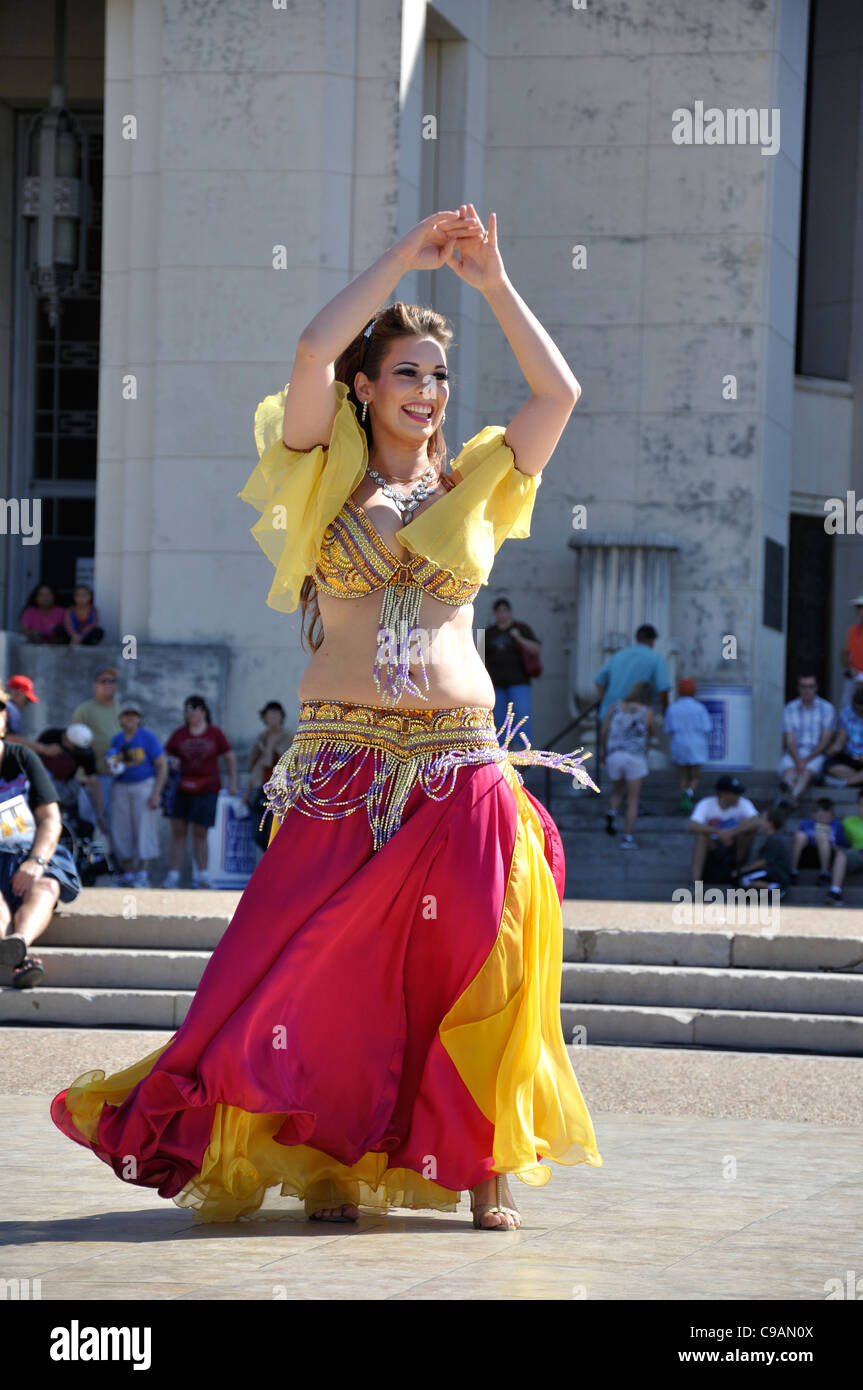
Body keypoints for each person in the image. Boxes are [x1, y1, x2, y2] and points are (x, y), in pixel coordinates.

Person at [51, 204, 603, 1232]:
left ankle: (480, 1165)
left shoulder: (481, 475)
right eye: (405, 372)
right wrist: (404, 254)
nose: (427, 392)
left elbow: (558, 391)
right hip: (344, 761)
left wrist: (488, 283)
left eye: (437, 376)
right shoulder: (323, 475)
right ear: (365, 384)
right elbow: (310, 346)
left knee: (476, 954)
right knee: (299, 958)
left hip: (458, 762)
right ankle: (331, 1159)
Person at [0, 683, 82, 990]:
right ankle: (19, 961)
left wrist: (35, 861)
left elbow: (50, 819)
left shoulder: (22, 757)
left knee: (46, 886)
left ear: (5, 720)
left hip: (27, 853)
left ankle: (18, 942)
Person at [161, 695, 237, 889]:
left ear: (204, 711)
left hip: (207, 789)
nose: (190, 712)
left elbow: (230, 757)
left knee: (200, 833)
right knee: (178, 833)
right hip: (181, 790)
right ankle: (173, 875)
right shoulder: (179, 734)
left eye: (195, 708)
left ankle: (203, 875)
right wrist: (170, 762)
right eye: (187, 708)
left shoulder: (215, 733)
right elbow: (163, 756)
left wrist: (232, 781)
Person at [106, 701, 168, 888]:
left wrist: (156, 793)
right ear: (121, 719)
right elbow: (113, 762)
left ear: (139, 719)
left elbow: (162, 765)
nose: (130, 718)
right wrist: (113, 766)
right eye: (126, 715)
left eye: (134, 715)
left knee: (144, 829)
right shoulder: (117, 739)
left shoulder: (147, 737)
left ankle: (142, 873)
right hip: (121, 786)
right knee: (122, 830)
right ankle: (126, 873)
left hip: (144, 786)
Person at [600, 680, 655, 849]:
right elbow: (652, 733)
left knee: (617, 790)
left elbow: (604, 731)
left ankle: (612, 812)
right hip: (634, 758)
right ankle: (628, 838)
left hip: (614, 755)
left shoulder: (616, 706)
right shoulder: (647, 712)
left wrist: (604, 751)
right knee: (633, 799)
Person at [31, 722, 108, 838]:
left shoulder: (86, 753)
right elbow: (29, 756)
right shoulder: (51, 736)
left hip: (67, 788)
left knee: (75, 820)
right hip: (41, 783)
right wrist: (44, 750)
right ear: (66, 740)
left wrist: (100, 814)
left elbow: (93, 782)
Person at [483, 597, 542, 748]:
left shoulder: (521, 628)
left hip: (519, 683)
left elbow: (536, 649)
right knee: (499, 723)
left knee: (522, 718)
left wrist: (519, 638)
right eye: (499, 611)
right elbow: (478, 656)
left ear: (509, 612)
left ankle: (524, 753)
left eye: (505, 610)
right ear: (495, 613)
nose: (502, 614)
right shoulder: (489, 633)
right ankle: (501, 754)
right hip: (496, 685)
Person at [70, 668, 123, 825]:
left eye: (111, 681)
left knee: (112, 824)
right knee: (89, 822)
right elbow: (73, 740)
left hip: (116, 777)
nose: (108, 684)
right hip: (90, 778)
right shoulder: (84, 710)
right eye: (103, 681)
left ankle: (111, 851)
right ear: (95, 685)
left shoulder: (121, 711)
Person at [688, 774, 761, 885]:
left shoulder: (743, 803)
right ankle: (696, 882)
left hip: (735, 843)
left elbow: (756, 821)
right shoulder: (706, 804)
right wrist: (718, 832)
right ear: (723, 794)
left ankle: (738, 870)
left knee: (749, 831)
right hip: (714, 844)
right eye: (735, 793)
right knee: (701, 837)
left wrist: (732, 833)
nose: (739, 796)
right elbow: (692, 825)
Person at [593, 625, 671, 722]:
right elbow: (663, 689)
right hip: (639, 718)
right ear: (653, 641)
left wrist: (607, 700)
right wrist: (665, 712)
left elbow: (599, 681)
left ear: (636, 639)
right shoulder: (656, 659)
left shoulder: (618, 655)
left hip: (610, 716)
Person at [777, 674, 835, 806]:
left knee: (806, 774)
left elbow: (825, 741)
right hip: (794, 752)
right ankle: (790, 800)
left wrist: (805, 760)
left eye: (810, 686)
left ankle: (787, 801)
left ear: (816, 688)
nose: (807, 690)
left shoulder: (827, 708)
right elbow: (789, 740)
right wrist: (798, 759)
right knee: (789, 773)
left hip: (816, 753)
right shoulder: (790, 708)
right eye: (803, 687)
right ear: (798, 688)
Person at [242, 701, 293, 849]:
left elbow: (289, 762)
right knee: (258, 834)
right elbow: (254, 768)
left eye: (276, 713)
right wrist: (246, 795)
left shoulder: (288, 737)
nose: (273, 717)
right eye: (269, 713)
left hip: (280, 792)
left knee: (275, 833)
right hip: (260, 790)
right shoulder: (261, 739)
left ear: (281, 716)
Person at [663, 677, 714, 814]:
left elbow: (668, 729)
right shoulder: (700, 708)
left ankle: (684, 799)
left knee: (682, 777)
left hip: (679, 745)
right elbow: (707, 727)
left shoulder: (673, 709)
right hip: (697, 745)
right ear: (694, 692)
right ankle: (689, 792)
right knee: (695, 776)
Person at [790, 797, 847, 897]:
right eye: (821, 816)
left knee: (823, 837)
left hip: (828, 856)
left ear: (832, 816)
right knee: (800, 836)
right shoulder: (806, 824)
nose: (823, 820)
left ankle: (824, 873)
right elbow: (798, 840)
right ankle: (793, 871)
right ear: (814, 814)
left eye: (827, 817)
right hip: (808, 854)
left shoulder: (837, 825)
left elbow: (842, 845)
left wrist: (830, 841)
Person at [733, 806, 792, 897]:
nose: (760, 820)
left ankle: (776, 888)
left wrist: (741, 870)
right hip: (775, 873)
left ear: (770, 824)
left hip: (777, 874)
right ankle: (764, 891)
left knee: (744, 879)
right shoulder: (776, 838)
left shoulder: (774, 839)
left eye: (763, 818)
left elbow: (764, 862)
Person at [825, 788, 863, 906]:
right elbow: (837, 838)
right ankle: (835, 892)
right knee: (842, 854)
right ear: (857, 805)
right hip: (857, 855)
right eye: (862, 805)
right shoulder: (848, 822)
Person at [823, 686, 863, 786]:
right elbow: (841, 739)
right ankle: (858, 779)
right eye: (857, 710)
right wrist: (833, 749)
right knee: (828, 764)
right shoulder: (847, 712)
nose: (859, 713)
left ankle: (845, 783)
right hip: (851, 758)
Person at [839, 592, 863, 708]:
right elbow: (844, 656)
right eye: (859, 607)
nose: (860, 611)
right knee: (846, 708)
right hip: (854, 678)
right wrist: (850, 668)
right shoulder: (852, 631)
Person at [1, 675, 40, 740]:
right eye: (27, 700)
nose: (26, 705)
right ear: (19, 693)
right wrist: (43, 748)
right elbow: (13, 738)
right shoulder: (12, 709)